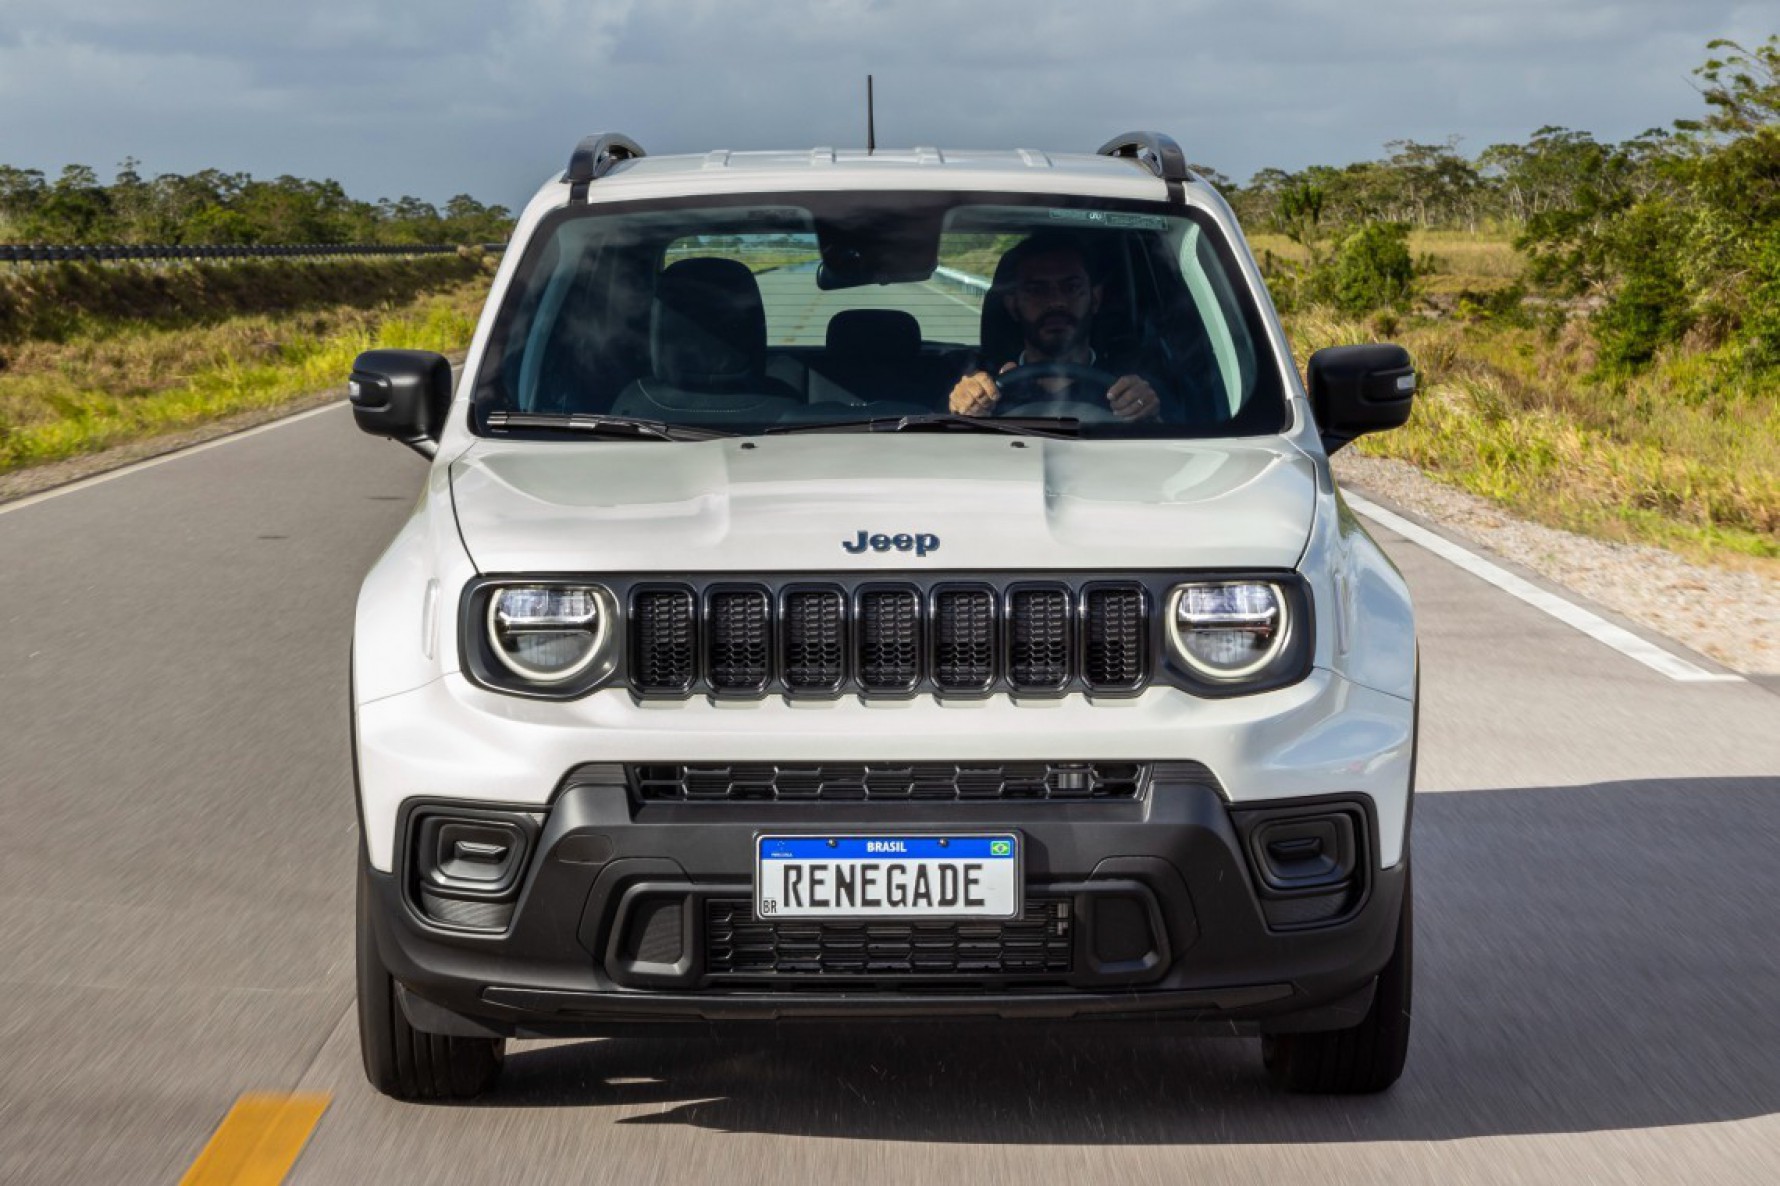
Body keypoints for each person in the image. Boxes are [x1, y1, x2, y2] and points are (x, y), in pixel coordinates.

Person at [949, 232, 1162, 421]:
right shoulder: (981, 385)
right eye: (1037, 290)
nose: (1056, 302)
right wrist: (960, 410)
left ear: (1095, 299)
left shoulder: (1130, 385)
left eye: (1071, 287)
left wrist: (1149, 412)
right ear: (1013, 305)